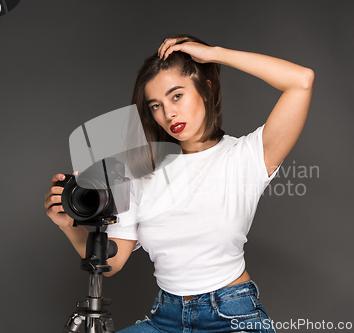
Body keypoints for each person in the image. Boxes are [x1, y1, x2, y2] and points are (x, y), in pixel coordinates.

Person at [44, 35, 314, 332]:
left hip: (232, 316)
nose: (169, 113)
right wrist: (67, 224)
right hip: (165, 318)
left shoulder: (247, 156)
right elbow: (114, 261)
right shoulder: (139, 171)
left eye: (176, 96)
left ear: (206, 89)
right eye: (156, 105)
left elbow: (300, 80)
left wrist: (214, 55)